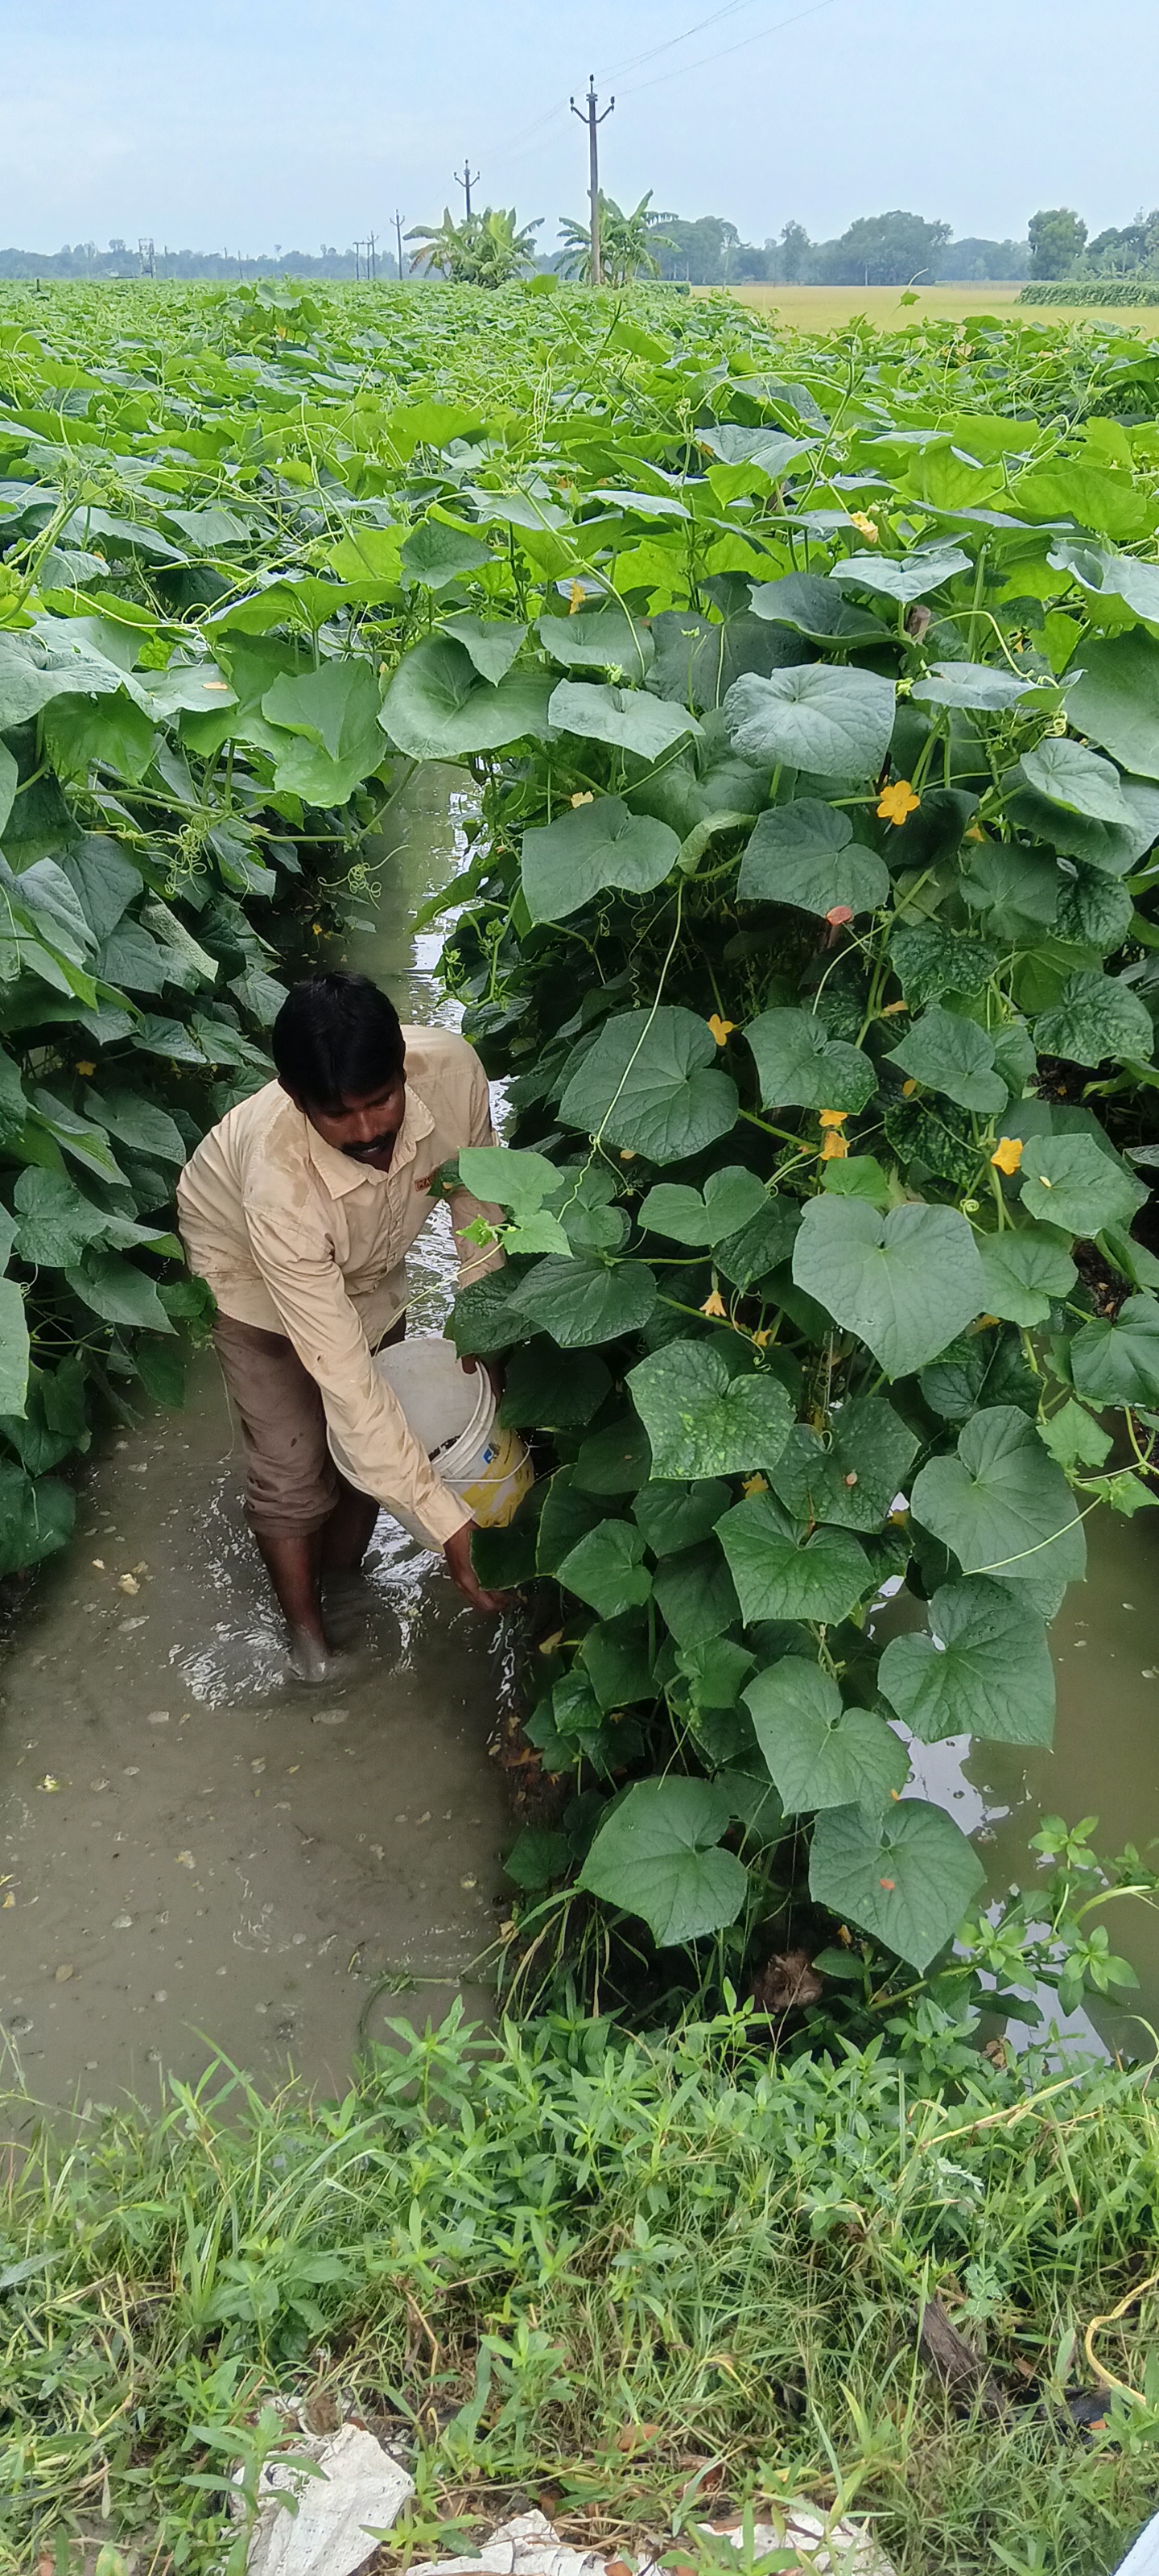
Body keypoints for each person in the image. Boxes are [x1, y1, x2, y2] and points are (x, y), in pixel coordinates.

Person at [176, 971, 509, 1678]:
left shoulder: (454, 1075)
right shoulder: (279, 1188)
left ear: (403, 1069)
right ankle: (309, 1646)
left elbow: (480, 1213)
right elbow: (351, 1389)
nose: (368, 1132)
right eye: (337, 1115)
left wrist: (487, 1338)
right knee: (294, 1468)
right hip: (245, 1261)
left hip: (366, 1253)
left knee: (373, 1445)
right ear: (297, 1101)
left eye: (381, 1100)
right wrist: (450, 1529)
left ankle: (343, 1582)